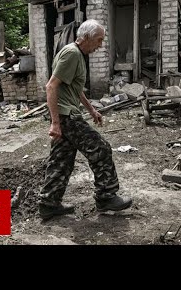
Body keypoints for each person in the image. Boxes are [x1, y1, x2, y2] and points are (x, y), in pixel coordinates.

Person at [38, 19, 133, 220]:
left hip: (67, 115)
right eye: (98, 41)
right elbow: (51, 86)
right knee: (100, 148)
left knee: (61, 160)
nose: (99, 46)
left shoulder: (76, 54)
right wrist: (55, 122)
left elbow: (75, 88)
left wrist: (91, 110)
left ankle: (49, 203)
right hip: (66, 116)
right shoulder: (72, 54)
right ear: (87, 37)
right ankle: (106, 196)